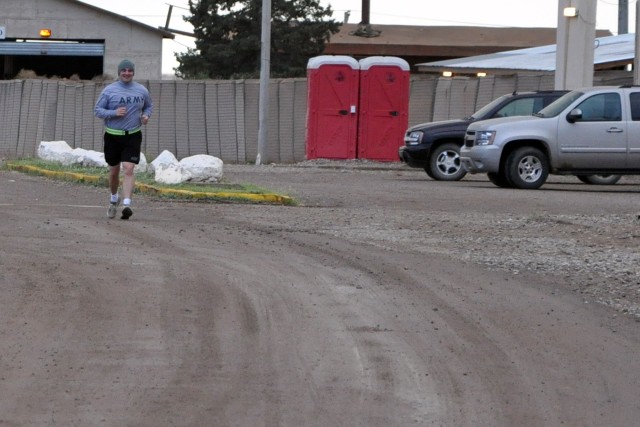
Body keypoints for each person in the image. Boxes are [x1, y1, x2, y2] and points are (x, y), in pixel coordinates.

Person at [94, 59, 153, 220]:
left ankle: (127, 205)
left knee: (128, 168)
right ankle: (114, 199)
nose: (127, 73)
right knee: (114, 172)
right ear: (119, 72)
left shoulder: (141, 90)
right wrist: (114, 113)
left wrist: (146, 115)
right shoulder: (109, 90)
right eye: (124, 70)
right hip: (113, 136)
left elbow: (148, 106)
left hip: (133, 135)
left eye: (130, 70)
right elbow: (97, 110)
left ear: (133, 72)